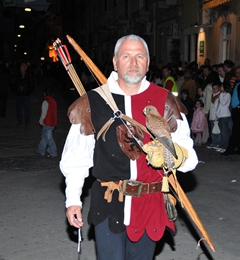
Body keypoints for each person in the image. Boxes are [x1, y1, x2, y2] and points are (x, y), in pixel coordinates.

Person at [60, 34, 198, 260]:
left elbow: (189, 159)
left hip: (150, 204)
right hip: (108, 202)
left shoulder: (165, 101)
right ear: (115, 62)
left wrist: (172, 154)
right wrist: (73, 199)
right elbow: (76, 159)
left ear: (148, 63)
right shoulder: (93, 101)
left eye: (139, 56)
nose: (133, 63)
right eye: (126, 56)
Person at [34, 86, 58, 157]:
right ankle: (41, 150)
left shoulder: (45, 102)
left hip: (47, 122)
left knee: (48, 138)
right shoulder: (54, 102)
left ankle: (53, 152)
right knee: (44, 137)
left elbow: (44, 113)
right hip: (53, 122)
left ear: (44, 94)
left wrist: (41, 121)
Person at [222, 66, 240, 155]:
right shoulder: (237, 82)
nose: (238, 74)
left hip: (238, 109)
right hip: (235, 109)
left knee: (235, 130)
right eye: (236, 73)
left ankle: (230, 149)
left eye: (239, 72)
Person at [11, 62, 34, 126]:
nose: (23, 68)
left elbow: (32, 84)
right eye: (22, 67)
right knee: (19, 109)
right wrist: (16, 91)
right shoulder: (16, 75)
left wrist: (28, 91)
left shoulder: (28, 76)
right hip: (18, 95)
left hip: (26, 95)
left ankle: (27, 121)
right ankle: (20, 121)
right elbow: (13, 84)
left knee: (27, 109)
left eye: (24, 67)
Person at [215, 83, 232, 153]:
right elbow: (219, 106)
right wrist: (217, 115)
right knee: (222, 132)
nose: (220, 88)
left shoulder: (227, 95)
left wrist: (221, 94)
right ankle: (223, 145)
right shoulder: (222, 95)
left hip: (225, 116)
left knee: (225, 132)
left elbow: (223, 103)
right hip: (221, 116)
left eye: (221, 86)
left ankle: (225, 147)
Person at [207, 82, 221, 149]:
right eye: (213, 88)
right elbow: (211, 106)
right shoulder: (213, 95)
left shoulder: (219, 96)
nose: (214, 89)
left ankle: (218, 143)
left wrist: (217, 116)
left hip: (217, 115)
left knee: (217, 130)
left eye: (216, 88)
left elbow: (218, 107)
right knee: (212, 129)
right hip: (212, 115)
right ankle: (214, 142)